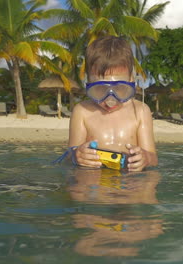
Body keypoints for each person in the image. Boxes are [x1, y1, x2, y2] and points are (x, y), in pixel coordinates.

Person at [68, 36, 158, 172]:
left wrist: (146, 158)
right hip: (94, 183)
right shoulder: (82, 111)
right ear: (88, 83)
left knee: (146, 188)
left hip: (130, 183)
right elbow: (69, 156)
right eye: (100, 89)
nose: (110, 99)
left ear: (131, 80)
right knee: (79, 188)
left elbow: (153, 159)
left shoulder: (140, 111)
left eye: (120, 89)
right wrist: (76, 156)